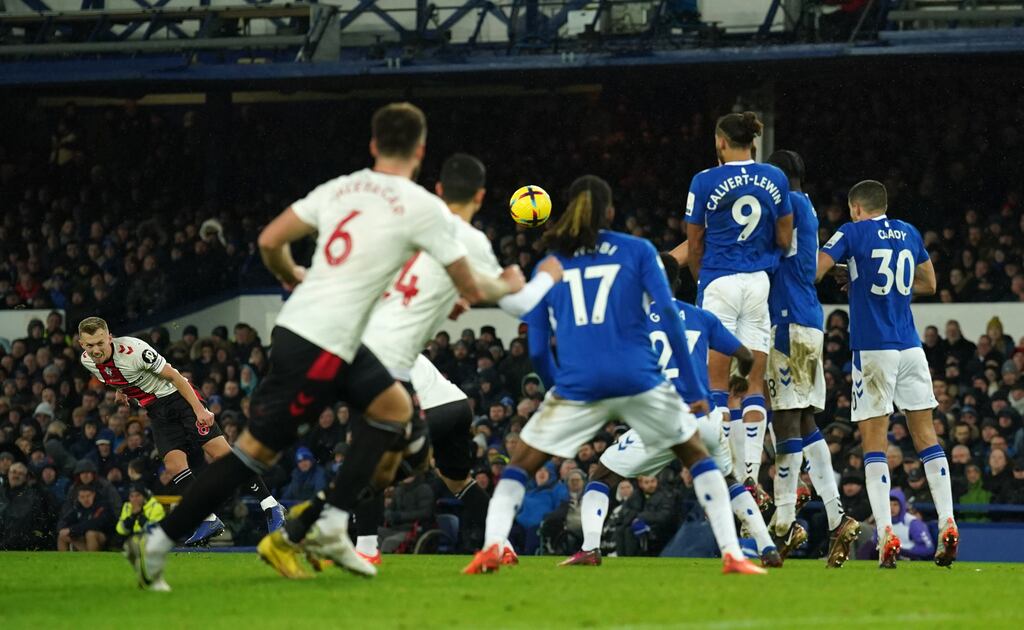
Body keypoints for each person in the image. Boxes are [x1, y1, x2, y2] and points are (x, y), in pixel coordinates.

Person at [126, 102, 497, 591]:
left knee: (392, 408)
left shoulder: (341, 187)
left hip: (316, 330)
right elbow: (470, 287)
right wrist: (502, 283)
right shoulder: (420, 204)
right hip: (323, 341)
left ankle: (329, 525)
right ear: (421, 151)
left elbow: (269, 240)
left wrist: (292, 274)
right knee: (253, 454)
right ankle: (157, 544)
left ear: (372, 145)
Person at [464, 175, 763, 575]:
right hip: (637, 377)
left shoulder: (552, 262)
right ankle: (733, 553)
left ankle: (490, 547)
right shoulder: (638, 250)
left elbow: (536, 345)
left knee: (520, 463)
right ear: (609, 212)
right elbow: (671, 319)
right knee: (697, 456)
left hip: (580, 380)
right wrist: (693, 390)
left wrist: (557, 386)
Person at [266, 153, 540, 570]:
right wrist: (523, 281)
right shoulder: (462, 244)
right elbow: (508, 299)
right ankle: (498, 542)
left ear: (439, 191)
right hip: (454, 403)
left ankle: (354, 543)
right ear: (481, 196)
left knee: (371, 465)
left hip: (403, 385)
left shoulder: (400, 247)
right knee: (457, 479)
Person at [562, 252, 779, 567]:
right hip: (705, 417)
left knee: (601, 475)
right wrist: (739, 379)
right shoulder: (701, 317)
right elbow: (745, 355)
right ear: (678, 283)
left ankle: (591, 548)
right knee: (729, 479)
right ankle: (767, 547)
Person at [817, 179, 958, 568]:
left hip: (875, 348)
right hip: (910, 345)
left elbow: (815, 271)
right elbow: (929, 282)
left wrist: (855, 275)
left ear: (856, 208)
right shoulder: (909, 232)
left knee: (873, 443)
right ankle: (948, 520)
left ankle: (884, 534)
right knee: (927, 435)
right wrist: (884, 284)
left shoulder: (851, 231)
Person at [78, 316, 284, 546]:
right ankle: (208, 520)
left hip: (180, 399)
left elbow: (177, 377)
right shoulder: (87, 361)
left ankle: (271, 506)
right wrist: (121, 391)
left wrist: (200, 411)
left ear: (109, 337)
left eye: (100, 343)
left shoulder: (134, 350)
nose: (95, 350)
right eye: (90, 345)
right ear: (82, 344)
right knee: (175, 466)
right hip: (156, 410)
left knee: (223, 456)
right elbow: (112, 375)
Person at [683, 111, 793, 486]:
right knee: (753, 385)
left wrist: (703, 278)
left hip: (719, 280)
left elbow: (694, 241)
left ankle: (724, 474)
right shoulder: (775, 177)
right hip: (758, 281)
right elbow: (784, 235)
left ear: (721, 142)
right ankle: (751, 475)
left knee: (716, 385)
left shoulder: (703, 180)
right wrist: (766, 261)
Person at [763, 150, 860, 567]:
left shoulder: (787, 205)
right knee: (803, 421)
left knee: (782, 417)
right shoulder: (808, 207)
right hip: (805, 317)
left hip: (785, 320)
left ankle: (783, 521)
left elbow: (772, 252)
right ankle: (838, 517)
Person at [58, 485, 115, 551]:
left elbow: (94, 524)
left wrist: (72, 530)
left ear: (93, 495)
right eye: (82, 497)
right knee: (62, 535)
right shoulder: (77, 508)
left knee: (90, 534)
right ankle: (65, 560)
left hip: (104, 537)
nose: (85, 499)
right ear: (78, 498)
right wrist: (62, 529)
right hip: (82, 535)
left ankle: (91, 558)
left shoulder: (102, 506)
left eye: (88, 496)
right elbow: (65, 521)